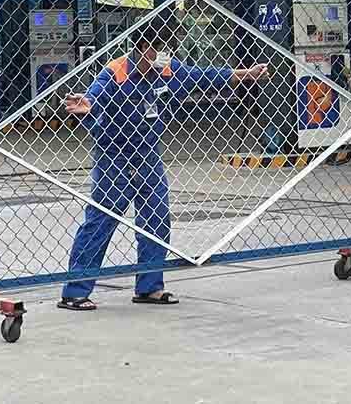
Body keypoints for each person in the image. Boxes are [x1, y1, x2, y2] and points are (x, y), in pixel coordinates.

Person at [57, 16, 268, 311]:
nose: (167, 54)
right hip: (114, 157)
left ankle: (149, 286)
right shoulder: (116, 72)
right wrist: (87, 104)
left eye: (170, 48)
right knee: (101, 220)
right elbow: (94, 98)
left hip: (148, 156)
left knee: (156, 219)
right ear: (144, 48)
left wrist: (247, 74)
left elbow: (205, 76)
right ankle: (75, 291)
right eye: (162, 48)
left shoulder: (168, 70)